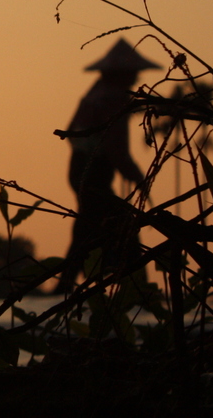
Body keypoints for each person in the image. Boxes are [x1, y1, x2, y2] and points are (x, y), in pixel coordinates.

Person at [54, 38, 160, 295]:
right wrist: (137, 177)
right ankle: (137, 287)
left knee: (88, 225)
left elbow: (72, 133)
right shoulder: (112, 99)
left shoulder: (93, 94)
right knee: (118, 222)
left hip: (80, 168)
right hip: (95, 170)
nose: (135, 78)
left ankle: (66, 285)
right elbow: (117, 149)